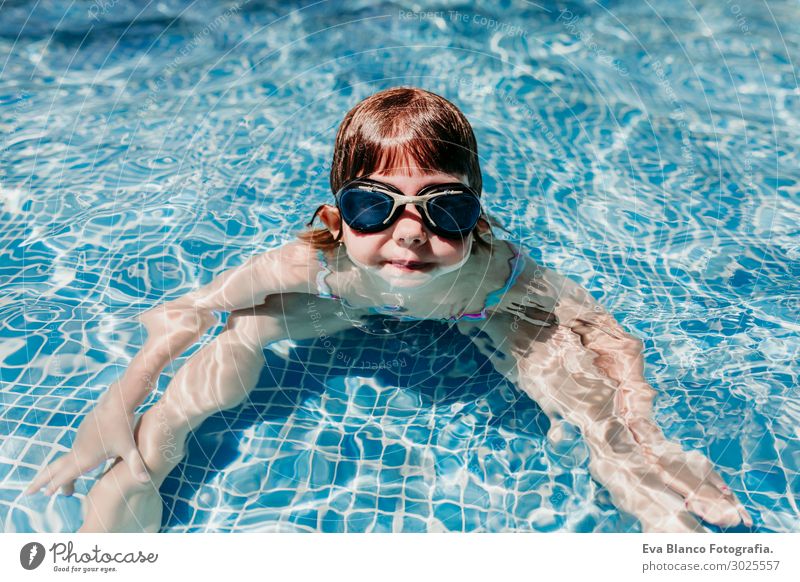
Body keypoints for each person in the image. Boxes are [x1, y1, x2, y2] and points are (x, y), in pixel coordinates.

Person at [25, 87, 752, 533]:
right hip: (340, 304)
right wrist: (123, 395)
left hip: (475, 311)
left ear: (477, 216)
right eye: (375, 204)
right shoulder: (312, 262)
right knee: (235, 333)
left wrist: (640, 423)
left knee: (582, 388)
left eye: (446, 208)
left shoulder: (497, 270)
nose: (411, 230)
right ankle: (123, 505)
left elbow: (606, 332)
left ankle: (662, 510)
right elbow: (184, 312)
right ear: (336, 218)